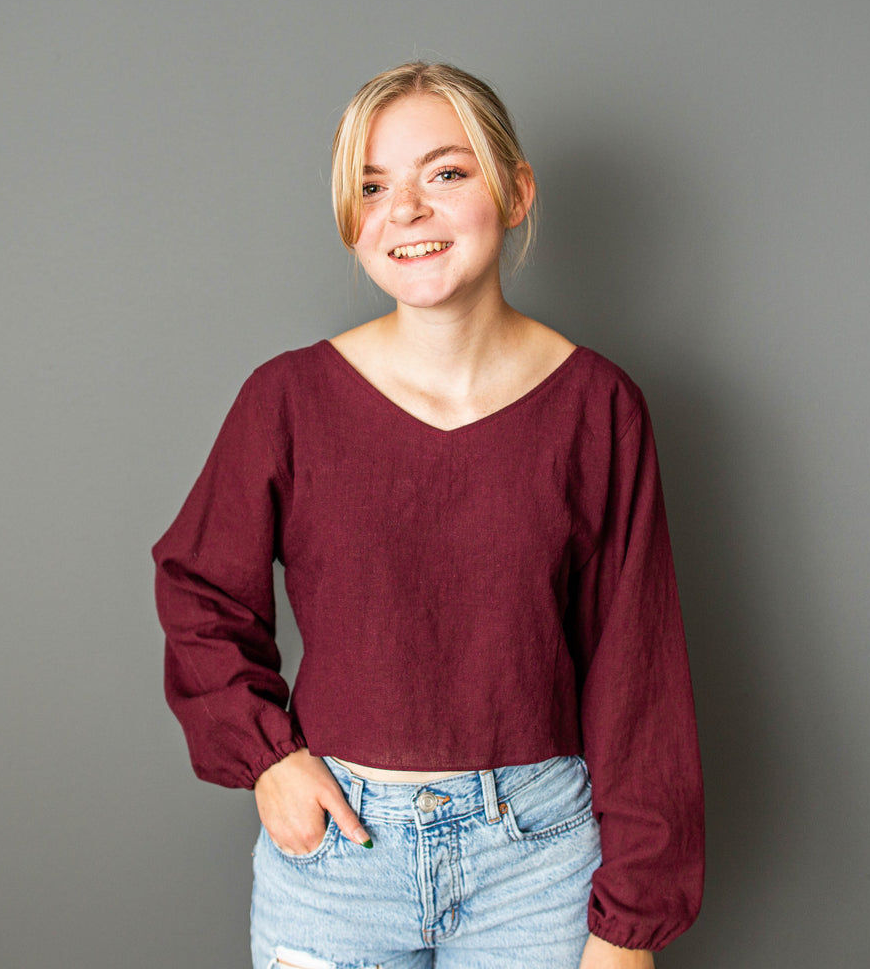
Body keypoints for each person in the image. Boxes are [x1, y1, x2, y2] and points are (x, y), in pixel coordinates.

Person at [153, 62, 703, 969]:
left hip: (540, 864)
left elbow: (637, 676)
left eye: (443, 173)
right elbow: (198, 586)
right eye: (372, 186)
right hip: (338, 860)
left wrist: (628, 924)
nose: (403, 209)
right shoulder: (286, 400)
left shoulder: (597, 407)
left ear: (515, 191)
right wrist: (267, 756)